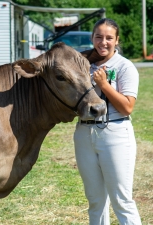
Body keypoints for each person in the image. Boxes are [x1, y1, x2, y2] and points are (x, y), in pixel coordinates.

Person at [74, 18, 142, 225]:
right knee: (95, 201)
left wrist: (104, 85)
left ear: (117, 40)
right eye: (99, 37)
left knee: (122, 200)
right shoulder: (82, 64)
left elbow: (127, 107)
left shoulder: (124, 67)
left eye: (109, 38)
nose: (103, 42)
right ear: (92, 38)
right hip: (84, 134)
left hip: (115, 134)